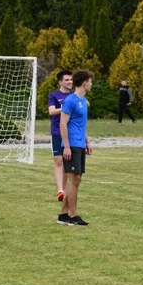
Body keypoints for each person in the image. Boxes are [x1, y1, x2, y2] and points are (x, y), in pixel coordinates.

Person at [58, 70, 94, 226]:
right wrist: (66, 146)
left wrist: (87, 142)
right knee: (75, 179)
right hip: (71, 145)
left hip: (79, 144)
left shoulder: (84, 101)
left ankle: (63, 214)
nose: (91, 84)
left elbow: (82, 125)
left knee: (75, 180)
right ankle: (74, 216)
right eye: (90, 81)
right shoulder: (70, 101)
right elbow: (62, 123)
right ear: (84, 83)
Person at [48, 70, 73, 201]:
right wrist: (66, 107)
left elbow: (85, 104)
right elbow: (51, 111)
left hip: (71, 132)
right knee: (58, 160)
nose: (70, 82)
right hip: (57, 131)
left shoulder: (75, 95)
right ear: (60, 82)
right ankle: (60, 190)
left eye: (71, 79)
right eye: (67, 80)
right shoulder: (54, 95)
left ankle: (63, 190)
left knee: (67, 161)